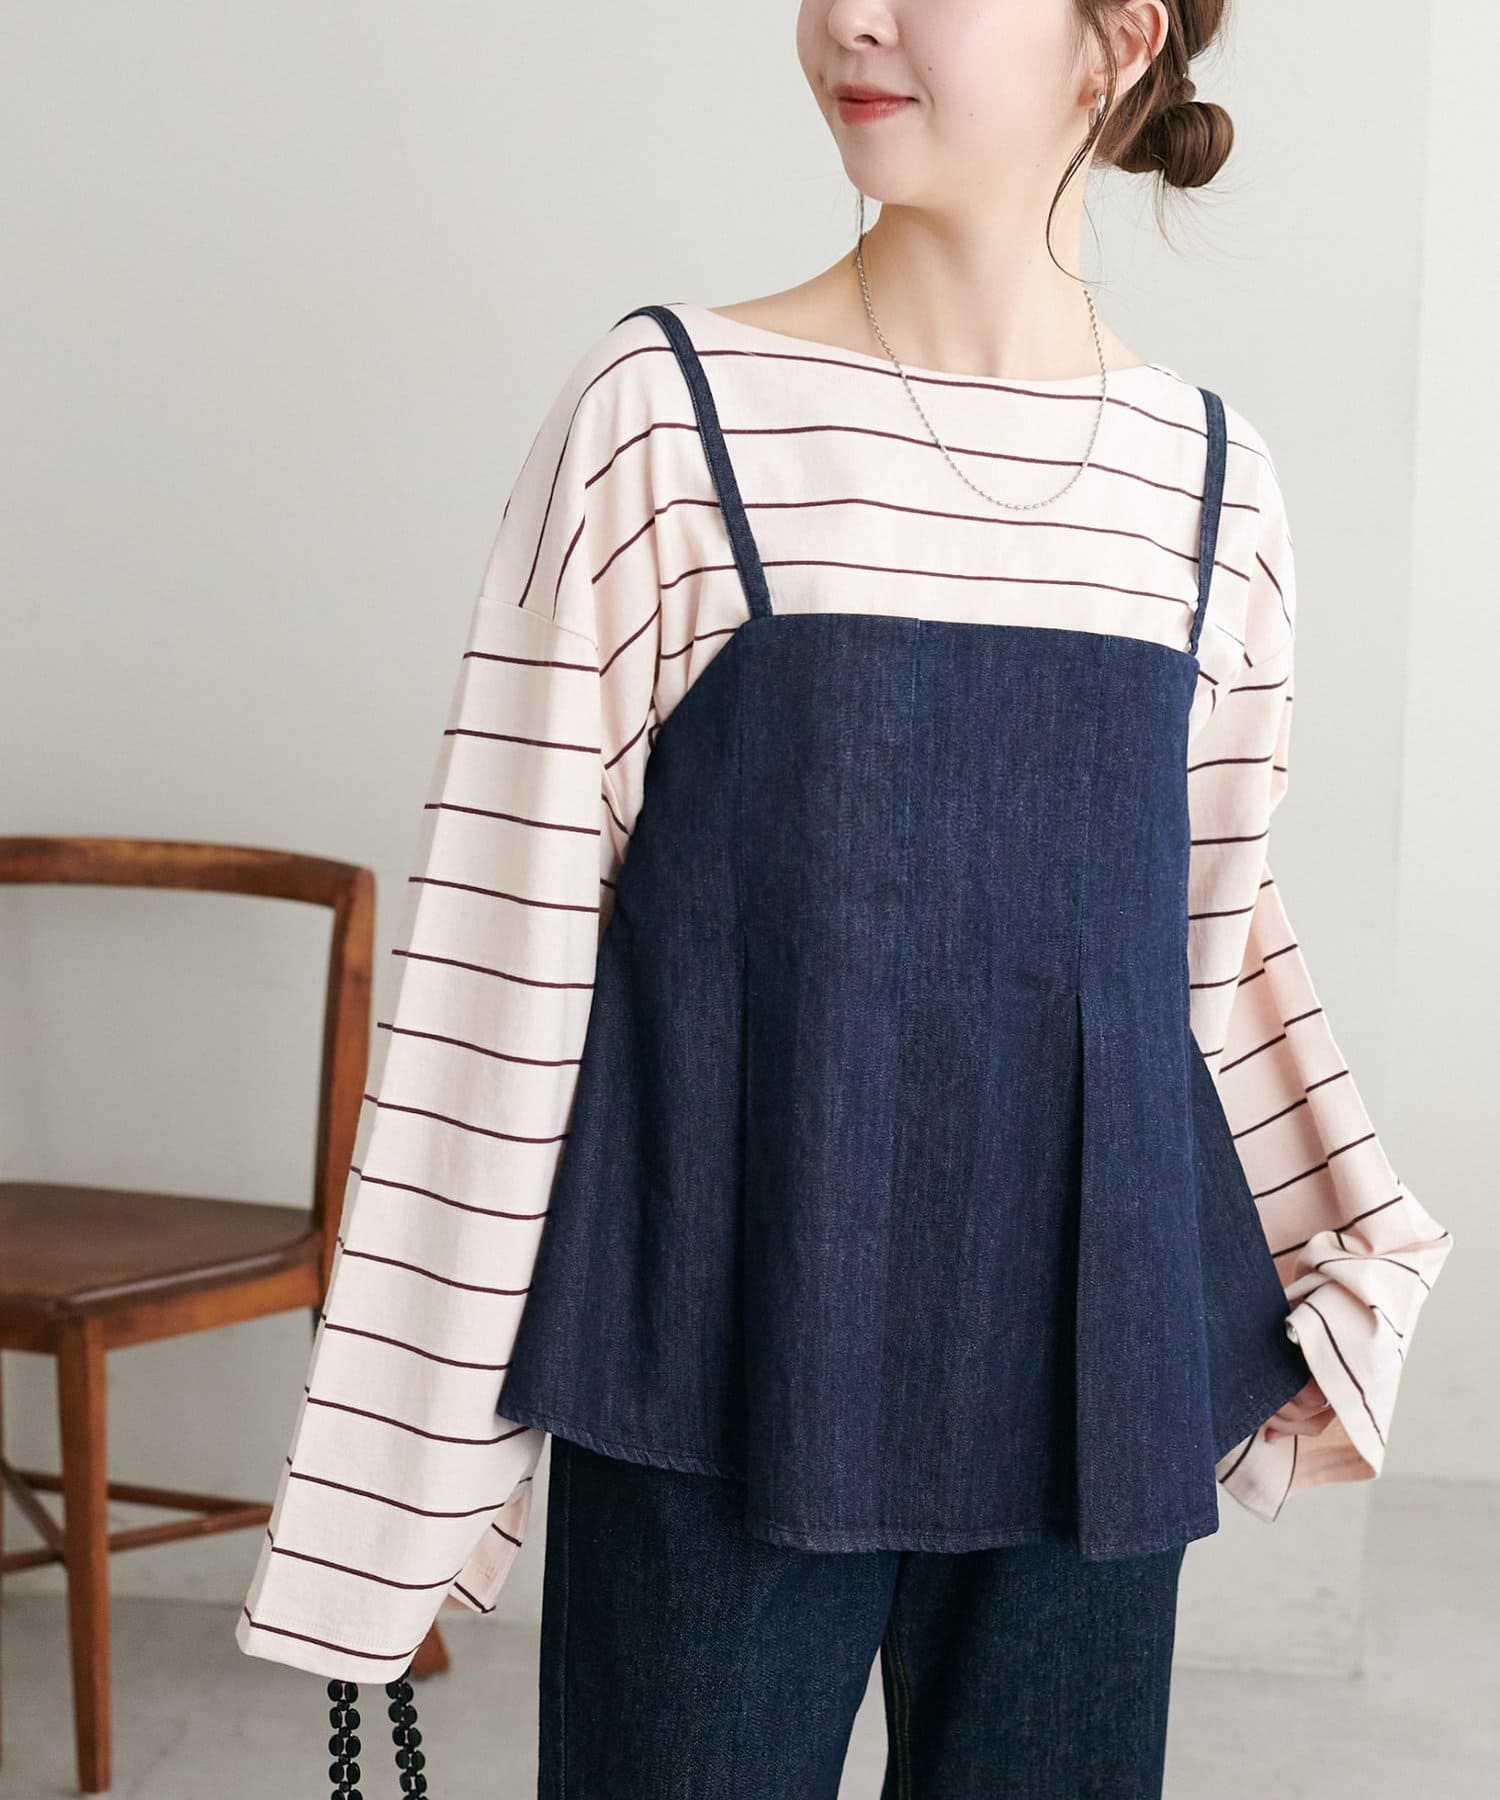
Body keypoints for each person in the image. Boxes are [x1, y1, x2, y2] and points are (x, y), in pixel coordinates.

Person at [237, 4, 1455, 1796]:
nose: (849, 20)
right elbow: (498, 970)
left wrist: (1329, 1265)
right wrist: (393, 1488)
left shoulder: (1211, 485)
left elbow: (1195, 968)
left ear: (1115, 36)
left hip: (1086, 1382)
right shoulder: (668, 414)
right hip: (719, 1357)